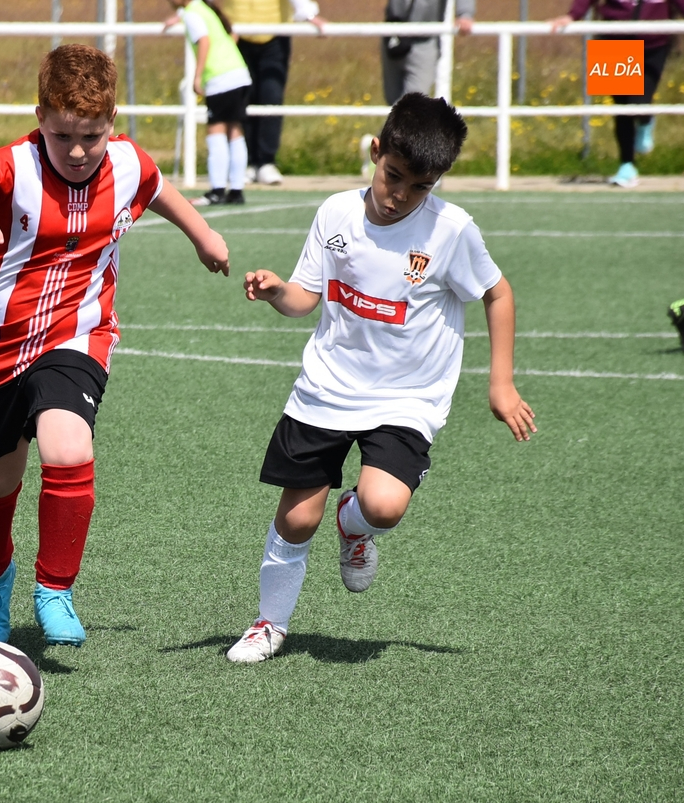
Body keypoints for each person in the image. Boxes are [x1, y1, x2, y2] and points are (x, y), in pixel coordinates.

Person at [0, 44, 230, 647]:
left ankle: (54, 589)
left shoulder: (127, 163)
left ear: (112, 121)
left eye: (91, 136)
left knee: (68, 446)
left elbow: (159, 186)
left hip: (79, 334)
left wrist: (203, 235)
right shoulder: (12, 167)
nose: (77, 151)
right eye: (62, 136)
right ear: (40, 119)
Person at [226, 93, 536, 664]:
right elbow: (305, 298)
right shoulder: (335, 213)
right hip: (328, 385)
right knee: (297, 517)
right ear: (375, 151)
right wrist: (276, 292)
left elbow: (498, 293)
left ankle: (355, 524)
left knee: (384, 505)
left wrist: (502, 384)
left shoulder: (451, 231)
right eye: (393, 176)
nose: (400, 195)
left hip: (406, 397)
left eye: (420, 186)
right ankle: (269, 624)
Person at [550, 0, 684, 188]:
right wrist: (572, 16)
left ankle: (645, 120)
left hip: (653, 44)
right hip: (613, 39)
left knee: (638, 102)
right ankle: (627, 165)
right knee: (621, 108)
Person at [226, 0, 326, 186]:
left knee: (271, 95)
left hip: (275, 34)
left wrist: (309, 15)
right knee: (242, 96)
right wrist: (185, 12)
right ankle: (246, 162)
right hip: (235, 32)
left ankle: (266, 161)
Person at [164, 0, 252, 206]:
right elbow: (232, 35)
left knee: (216, 131)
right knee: (234, 131)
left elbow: (204, 40)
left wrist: (197, 75)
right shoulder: (203, 8)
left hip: (220, 79)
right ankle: (236, 190)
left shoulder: (192, 13)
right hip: (239, 73)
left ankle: (217, 190)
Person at [382, 0, 474, 105]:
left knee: (414, 102)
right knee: (392, 99)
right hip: (393, 35)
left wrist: (464, 14)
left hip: (424, 39)